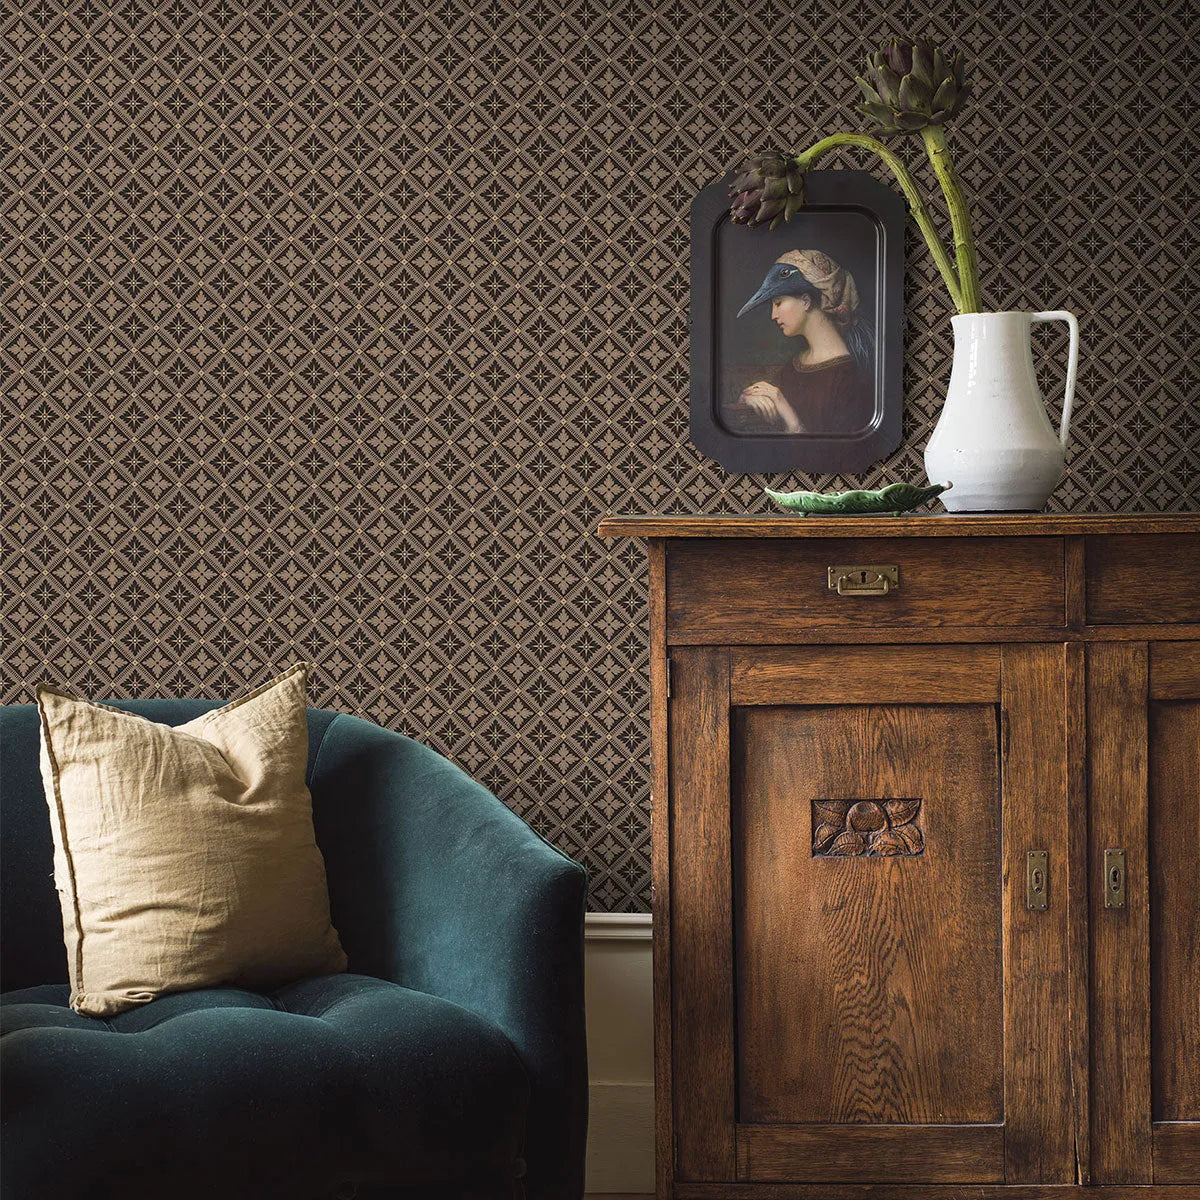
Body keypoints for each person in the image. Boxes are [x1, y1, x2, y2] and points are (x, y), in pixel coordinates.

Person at [732, 249, 875, 435]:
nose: (773, 315)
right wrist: (747, 401)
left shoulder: (852, 377)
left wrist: (793, 423)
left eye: (778, 303)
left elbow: (842, 451)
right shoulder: (792, 368)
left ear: (806, 301)